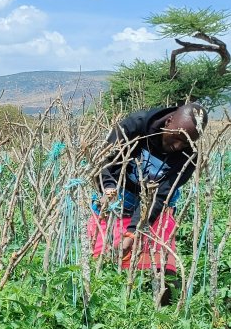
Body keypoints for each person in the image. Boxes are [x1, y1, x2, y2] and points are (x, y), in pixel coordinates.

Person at [88, 102, 208, 303]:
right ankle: (103, 305)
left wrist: (133, 232)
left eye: (185, 142)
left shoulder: (188, 157)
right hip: (117, 195)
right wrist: (109, 188)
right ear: (169, 121)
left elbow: (160, 196)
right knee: (102, 257)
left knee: (161, 265)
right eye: (177, 137)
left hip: (154, 206)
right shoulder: (136, 126)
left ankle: (161, 310)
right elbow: (104, 161)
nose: (178, 145)